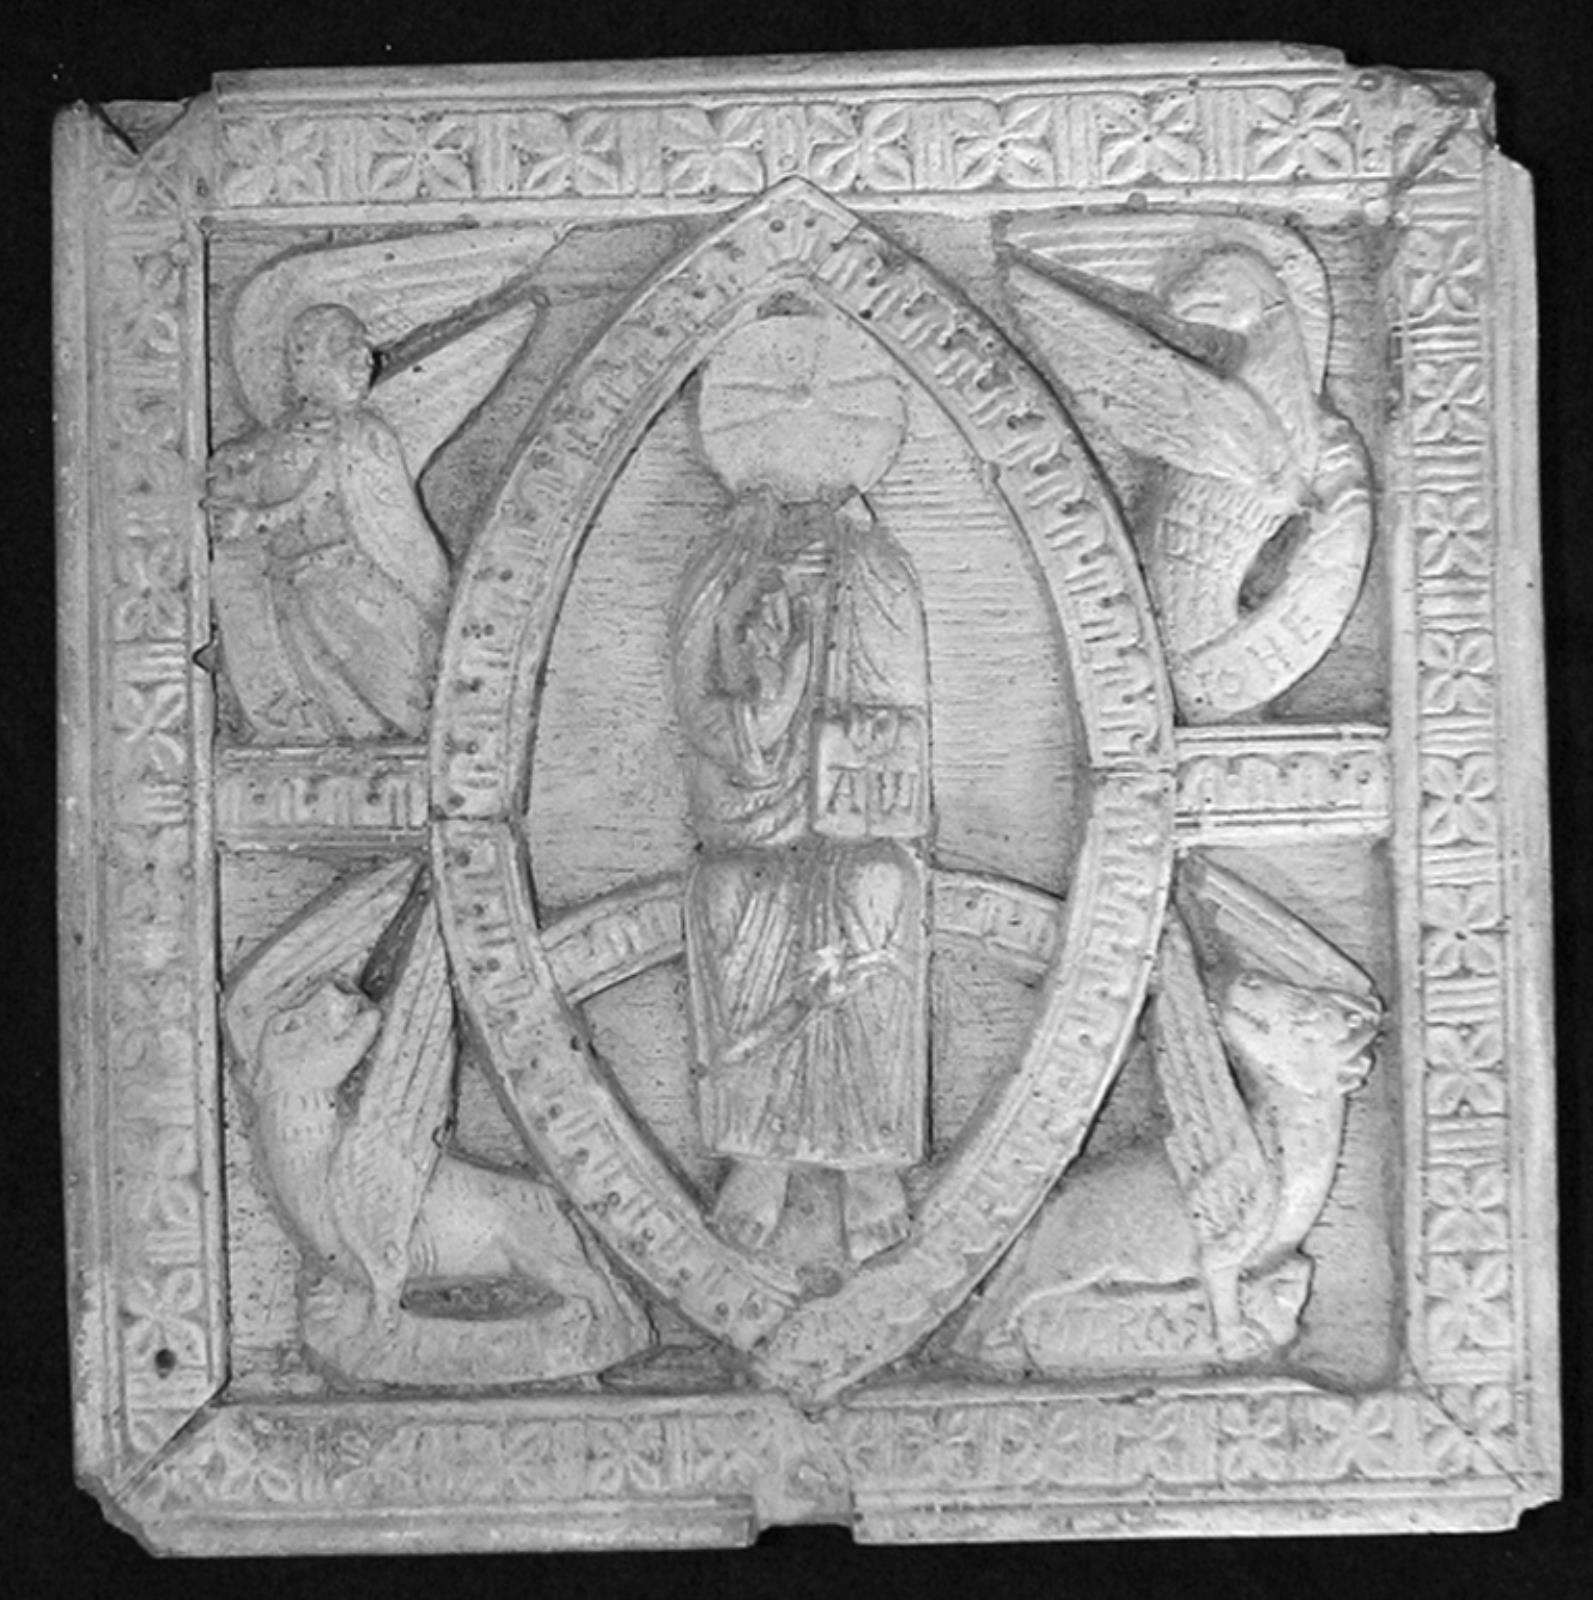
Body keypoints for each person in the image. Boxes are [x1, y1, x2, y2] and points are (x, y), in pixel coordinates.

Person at [672, 487, 932, 1265]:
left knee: (875, 884)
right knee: (731, 890)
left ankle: (868, 1150)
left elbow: (899, 702)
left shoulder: (874, 573)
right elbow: (711, 711)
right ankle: (758, 1148)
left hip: (849, 808)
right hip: (753, 816)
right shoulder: (723, 572)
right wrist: (771, 691)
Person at [208, 303, 451, 743]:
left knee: (397, 702)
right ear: (304, 362)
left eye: (363, 347)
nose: (362, 359)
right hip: (291, 598)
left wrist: (255, 521)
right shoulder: (275, 438)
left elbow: (325, 500)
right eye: (343, 346)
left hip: (356, 596)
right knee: (325, 711)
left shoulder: (362, 433)